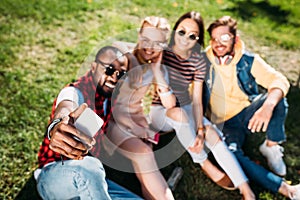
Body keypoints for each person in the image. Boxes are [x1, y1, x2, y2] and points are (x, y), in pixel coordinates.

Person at [148, 11, 254, 199]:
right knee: (178, 113)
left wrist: (199, 129)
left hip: (186, 107)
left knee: (212, 133)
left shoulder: (198, 60)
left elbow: (196, 98)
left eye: (192, 36)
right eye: (182, 32)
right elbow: (167, 101)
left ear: (198, 39)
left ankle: (246, 190)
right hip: (161, 111)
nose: (185, 39)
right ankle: (203, 162)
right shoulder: (162, 52)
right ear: (174, 31)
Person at [204, 15, 300, 199]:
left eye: (224, 38)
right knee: (232, 155)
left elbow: (279, 80)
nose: (218, 43)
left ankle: (271, 145)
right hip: (224, 124)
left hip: (247, 113)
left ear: (235, 39)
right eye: (215, 39)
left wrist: (268, 106)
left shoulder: (247, 59)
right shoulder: (203, 62)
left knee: (277, 98)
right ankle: (287, 190)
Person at [35, 46, 142, 199]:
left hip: (94, 179)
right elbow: (66, 104)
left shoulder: (110, 97)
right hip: (58, 174)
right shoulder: (77, 91)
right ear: (93, 67)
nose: (114, 77)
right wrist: (57, 124)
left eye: (121, 74)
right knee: (91, 167)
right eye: (109, 69)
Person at [103, 16, 175, 200]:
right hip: (111, 121)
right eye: (146, 39)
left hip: (137, 121)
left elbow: (169, 105)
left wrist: (158, 71)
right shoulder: (120, 55)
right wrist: (133, 127)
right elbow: (104, 100)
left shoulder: (157, 68)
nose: (150, 48)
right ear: (139, 35)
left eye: (157, 43)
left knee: (145, 162)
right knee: (144, 154)